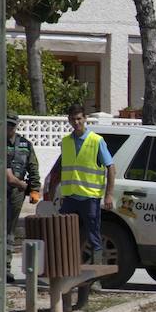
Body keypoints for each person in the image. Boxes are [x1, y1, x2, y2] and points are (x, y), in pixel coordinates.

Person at [45, 104, 116, 264]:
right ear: (69, 120)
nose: (76, 122)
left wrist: (109, 195)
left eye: (79, 118)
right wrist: (51, 190)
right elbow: (59, 168)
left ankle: (96, 274)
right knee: (63, 233)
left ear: (85, 119)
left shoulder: (96, 141)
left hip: (90, 198)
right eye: (73, 119)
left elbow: (111, 167)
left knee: (94, 237)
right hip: (70, 197)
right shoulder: (66, 142)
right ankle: (66, 268)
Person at [5, 115, 39, 283]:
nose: (9, 129)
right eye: (7, 125)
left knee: (9, 231)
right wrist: (27, 187)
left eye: (12, 125)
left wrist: (35, 190)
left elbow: (33, 167)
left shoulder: (25, 144)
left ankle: (6, 268)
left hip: (16, 194)